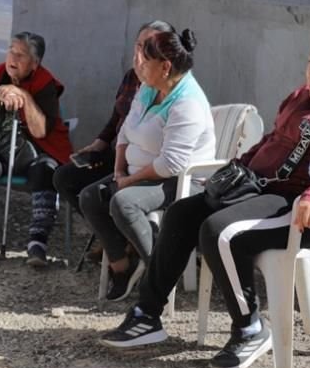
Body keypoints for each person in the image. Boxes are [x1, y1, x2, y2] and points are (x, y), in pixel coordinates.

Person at [99, 30, 310, 368]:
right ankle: (147, 316)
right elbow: (273, 142)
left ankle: (250, 329)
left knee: (220, 232)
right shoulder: (304, 96)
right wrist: (239, 168)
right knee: (183, 213)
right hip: (271, 193)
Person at [78, 23, 215, 301]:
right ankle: (122, 266)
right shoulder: (149, 88)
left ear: (165, 67)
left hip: (180, 180)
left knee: (123, 202)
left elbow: (171, 165)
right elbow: (126, 129)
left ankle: (158, 271)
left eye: (145, 59)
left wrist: (128, 180)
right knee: (90, 196)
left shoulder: (186, 103)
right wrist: (118, 169)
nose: (137, 64)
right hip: (140, 172)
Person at [0, 32, 72, 267]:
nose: (13, 58)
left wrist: (25, 97)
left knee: (46, 170)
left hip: (33, 150)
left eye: (21, 54)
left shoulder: (45, 83)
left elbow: (41, 131)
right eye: (11, 51)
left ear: (35, 63)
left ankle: (37, 243)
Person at [51, 25, 152, 262]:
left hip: (140, 160)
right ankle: (111, 236)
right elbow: (117, 117)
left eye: (148, 47)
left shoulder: (163, 89)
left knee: (94, 193)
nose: (139, 53)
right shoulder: (131, 76)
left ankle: (121, 246)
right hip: (116, 153)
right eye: (138, 45)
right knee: (64, 177)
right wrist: (100, 142)